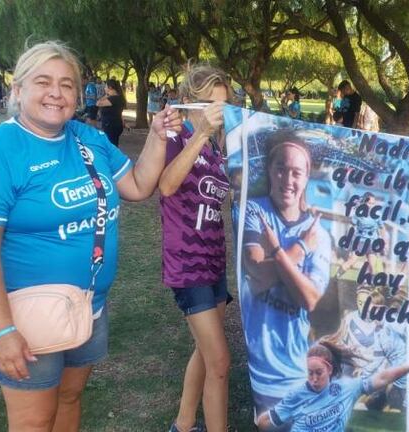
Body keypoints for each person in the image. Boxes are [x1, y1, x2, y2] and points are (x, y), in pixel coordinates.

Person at [0, 40, 181, 432]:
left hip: (90, 304)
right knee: (34, 422)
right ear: (19, 90)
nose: (56, 93)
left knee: (70, 398)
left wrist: (158, 136)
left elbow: (140, 186)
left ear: (78, 93)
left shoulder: (88, 138)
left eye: (67, 84)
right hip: (27, 315)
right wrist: (3, 331)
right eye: (43, 82)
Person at [158, 63, 232, 432]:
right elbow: (167, 185)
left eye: (222, 105)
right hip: (187, 265)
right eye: (208, 104)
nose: (215, 113)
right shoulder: (173, 135)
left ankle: (183, 425)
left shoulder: (218, 145)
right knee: (219, 362)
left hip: (214, 259)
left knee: (206, 354)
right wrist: (200, 134)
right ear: (188, 102)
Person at [241, 130, 332, 414]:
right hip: (261, 367)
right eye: (281, 169)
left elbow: (310, 299)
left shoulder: (321, 234)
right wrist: (300, 249)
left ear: (306, 178)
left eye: (296, 172)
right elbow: (256, 276)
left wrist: (275, 255)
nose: (288, 180)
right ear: (269, 169)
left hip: (297, 370)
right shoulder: (253, 211)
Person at [256, 340, 409, 431]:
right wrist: (261, 421)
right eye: (310, 373)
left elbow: (381, 378)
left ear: (329, 369)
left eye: (319, 373)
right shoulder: (296, 395)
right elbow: (266, 422)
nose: (314, 379)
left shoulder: (347, 388)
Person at [335, 192, 386, 278]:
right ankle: (336, 277)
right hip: (360, 242)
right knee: (351, 261)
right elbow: (351, 228)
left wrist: (383, 242)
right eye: (369, 203)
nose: (371, 206)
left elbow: (382, 228)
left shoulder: (377, 215)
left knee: (372, 267)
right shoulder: (358, 214)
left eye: (373, 204)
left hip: (372, 242)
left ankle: (371, 288)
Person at [96, 79, 125, 146]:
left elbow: (98, 103)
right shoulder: (119, 98)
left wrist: (106, 96)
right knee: (114, 144)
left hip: (111, 125)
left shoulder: (113, 99)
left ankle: (114, 156)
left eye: (106, 87)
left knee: (111, 146)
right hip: (115, 124)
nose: (104, 88)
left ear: (110, 87)